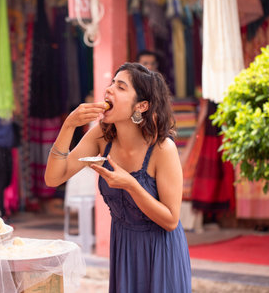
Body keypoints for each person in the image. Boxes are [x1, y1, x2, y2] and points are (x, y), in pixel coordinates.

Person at [44, 63, 191, 292]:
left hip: (161, 251)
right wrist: (69, 125)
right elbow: (53, 178)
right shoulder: (102, 135)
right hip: (124, 247)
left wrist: (131, 185)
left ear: (141, 105)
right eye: (111, 83)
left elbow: (171, 220)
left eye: (120, 87)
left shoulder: (163, 149)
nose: (109, 90)